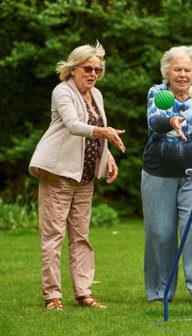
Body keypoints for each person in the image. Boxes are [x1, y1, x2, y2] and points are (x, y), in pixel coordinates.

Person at [29, 41, 126, 310]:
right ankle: (52, 296)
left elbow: (97, 128)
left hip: (84, 177)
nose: (93, 74)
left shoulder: (97, 95)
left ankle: (83, 293)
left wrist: (108, 157)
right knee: (53, 236)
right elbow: (73, 126)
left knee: (81, 237)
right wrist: (104, 133)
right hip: (58, 173)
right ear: (74, 68)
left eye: (98, 69)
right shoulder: (62, 92)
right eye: (88, 68)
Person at [141, 45, 192, 307]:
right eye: (177, 69)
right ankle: (159, 293)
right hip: (159, 171)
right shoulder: (158, 92)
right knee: (160, 232)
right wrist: (171, 122)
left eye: (188, 69)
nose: (183, 74)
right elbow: (155, 119)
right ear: (167, 71)